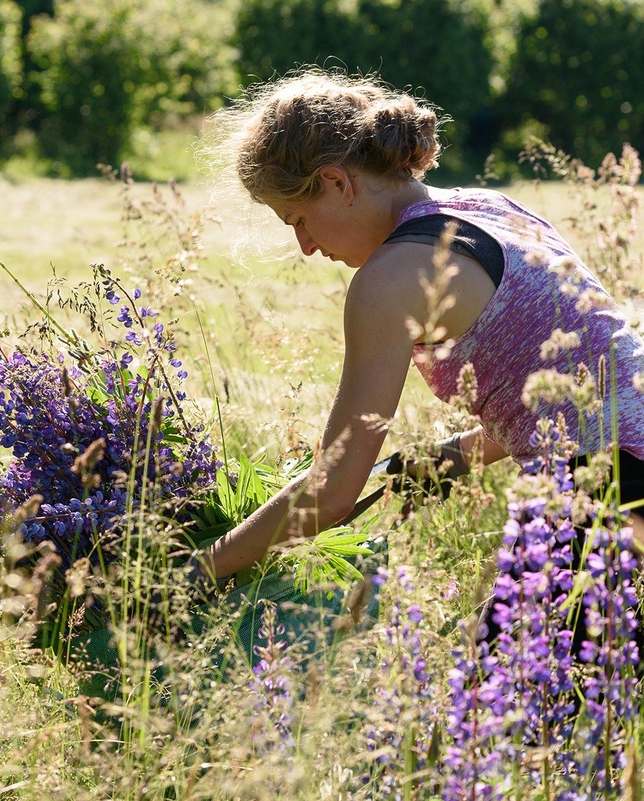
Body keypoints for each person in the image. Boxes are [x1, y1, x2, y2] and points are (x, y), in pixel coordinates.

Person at [192, 69, 644, 585]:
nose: (307, 247)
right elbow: (571, 380)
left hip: (605, 481)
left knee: (523, 666)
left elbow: (333, 489)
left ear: (338, 182)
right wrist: (455, 455)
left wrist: (201, 568)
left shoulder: (389, 278)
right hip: (623, 452)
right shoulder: (487, 207)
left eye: (298, 219)